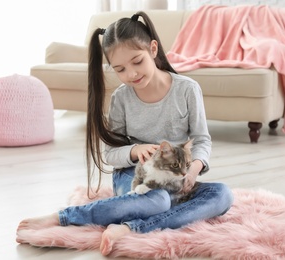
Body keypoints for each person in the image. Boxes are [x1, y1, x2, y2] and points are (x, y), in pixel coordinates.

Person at [17, 11, 234, 256]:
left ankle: (132, 227)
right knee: (158, 201)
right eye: (120, 69)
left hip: (175, 178)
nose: (131, 74)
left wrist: (194, 167)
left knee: (222, 195)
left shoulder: (187, 90)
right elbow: (110, 153)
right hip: (136, 177)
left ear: (153, 49)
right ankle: (64, 217)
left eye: (137, 62)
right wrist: (133, 150)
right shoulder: (121, 98)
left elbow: (202, 138)